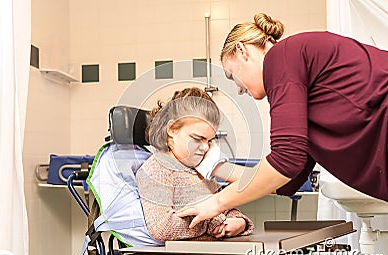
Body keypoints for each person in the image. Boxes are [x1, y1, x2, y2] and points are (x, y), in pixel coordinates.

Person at [177, 13, 388, 228]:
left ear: (242, 50)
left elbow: (286, 161)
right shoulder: (295, 74)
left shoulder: (281, 56)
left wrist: (216, 203)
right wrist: (214, 167)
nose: (239, 90)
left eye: (232, 76)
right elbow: (289, 178)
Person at [136, 87, 254, 243]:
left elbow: (224, 208)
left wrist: (239, 222)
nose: (206, 148)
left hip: (216, 252)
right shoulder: (157, 170)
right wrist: (211, 222)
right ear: (172, 129)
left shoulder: (199, 168)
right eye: (198, 139)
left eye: (209, 140)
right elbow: (161, 228)